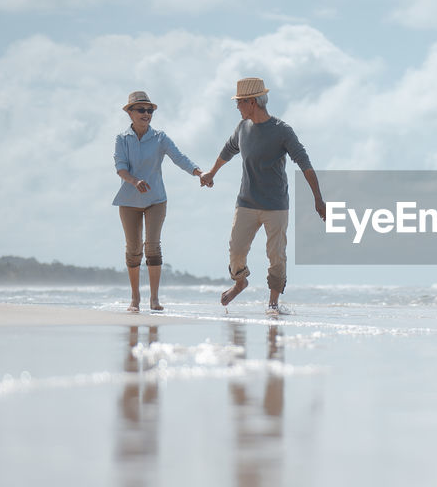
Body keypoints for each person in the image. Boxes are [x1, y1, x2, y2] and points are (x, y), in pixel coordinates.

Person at [200, 77, 327, 313]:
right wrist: (211, 173)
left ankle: (273, 304)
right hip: (246, 202)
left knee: (276, 255)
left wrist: (318, 199)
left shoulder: (282, 131)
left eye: (239, 102)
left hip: (276, 205)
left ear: (252, 102)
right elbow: (227, 151)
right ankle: (240, 283)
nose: (237, 106)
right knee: (236, 250)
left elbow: (304, 162)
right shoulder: (242, 129)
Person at [112, 90, 205, 311]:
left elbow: (178, 157)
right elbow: (120, 168)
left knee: (152, 247)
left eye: (149, 110)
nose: (146, 113)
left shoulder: (160, 137)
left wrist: (199, 172)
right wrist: (135, 181)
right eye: (141, 110)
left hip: (156, 199)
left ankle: (154, 298)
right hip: (128, 200)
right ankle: (135, 298)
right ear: (130, 113)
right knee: (134, 249)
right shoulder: (122, 139)